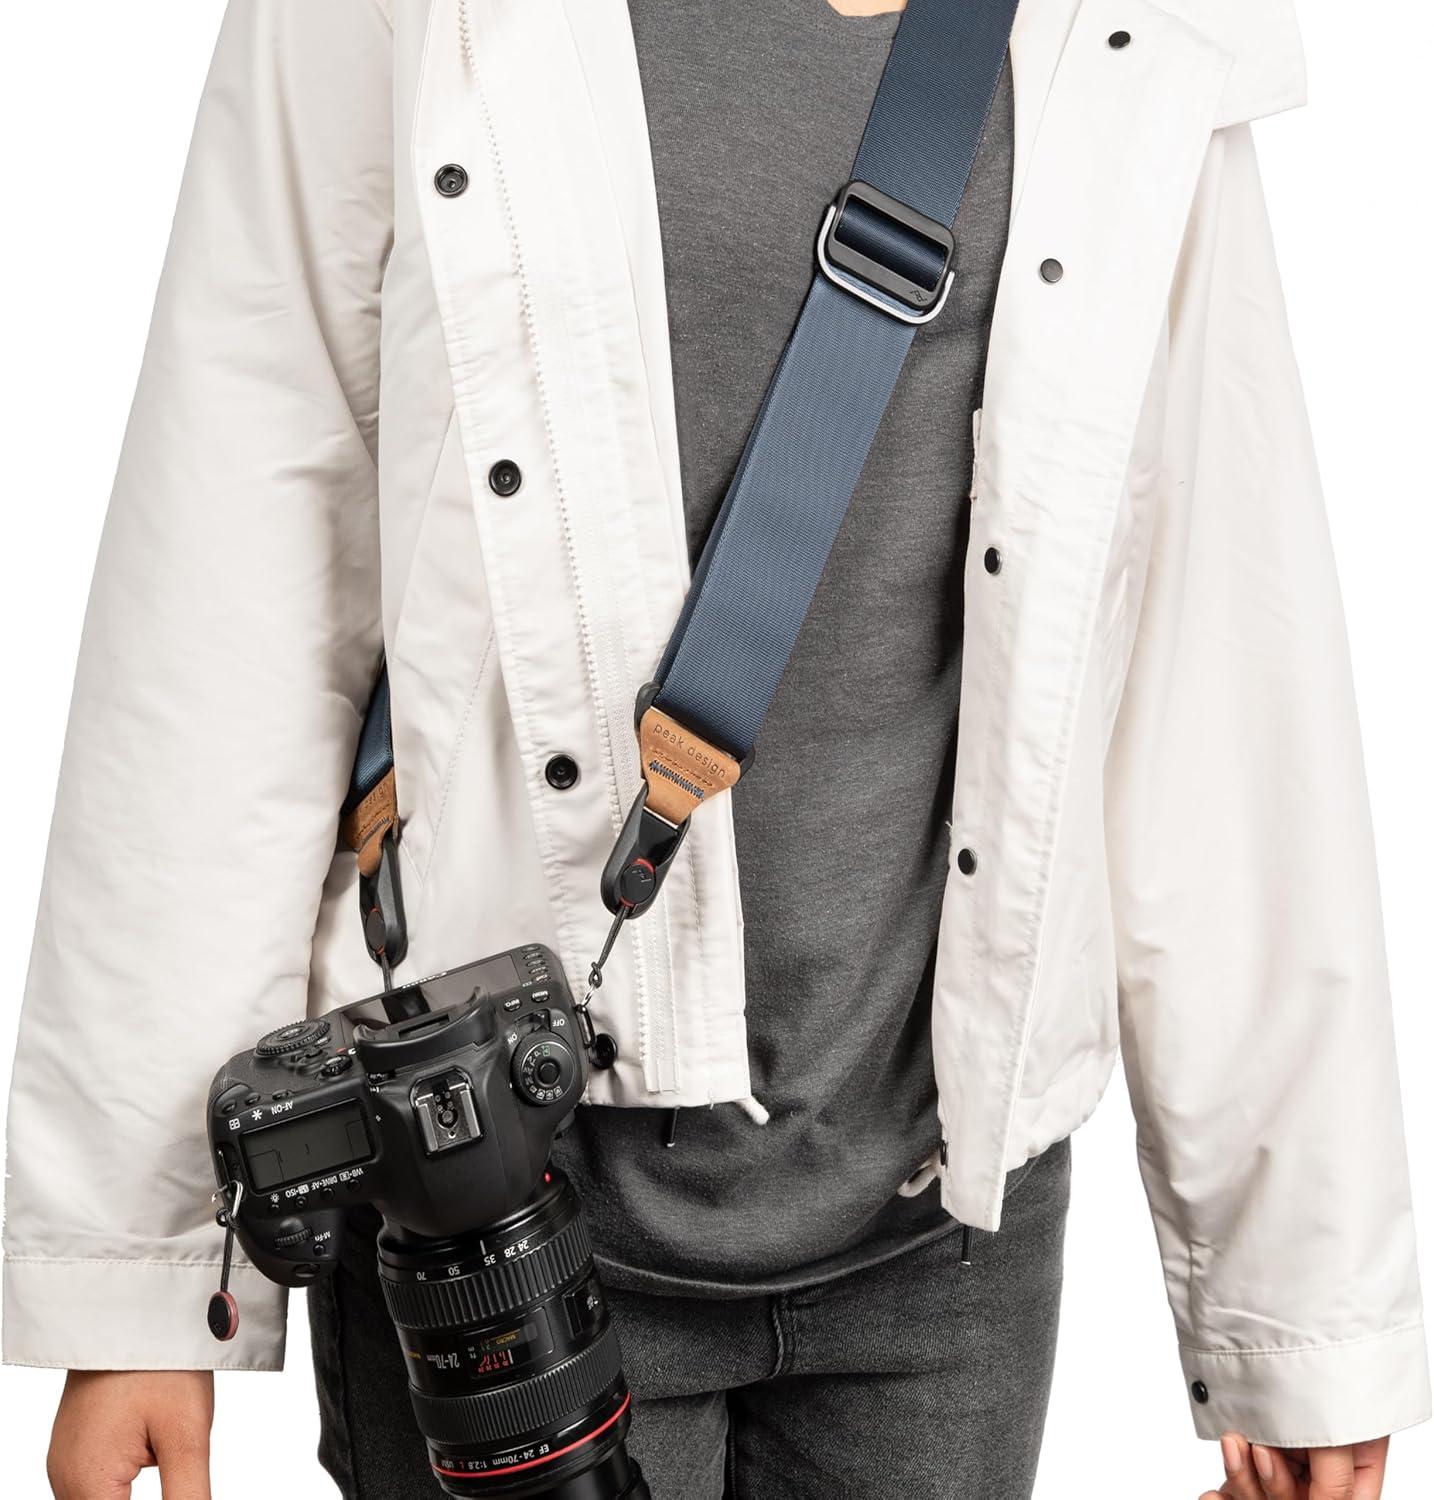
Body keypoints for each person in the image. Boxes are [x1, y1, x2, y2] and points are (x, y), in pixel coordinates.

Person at [6, 2, 1428, 1498]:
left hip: (946, 1236)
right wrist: (141, 1276)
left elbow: (1221, 641)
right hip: (494, 1212)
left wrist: (1297, 1315)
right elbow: (231, 570)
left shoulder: (1127, 21)